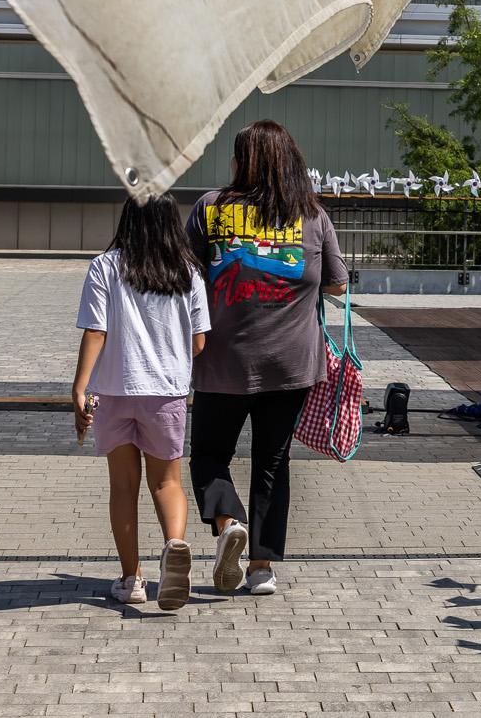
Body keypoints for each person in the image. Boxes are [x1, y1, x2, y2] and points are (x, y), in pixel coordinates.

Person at [188, 119, 347, 596]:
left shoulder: (210, 208)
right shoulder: (312, 215)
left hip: (221, 361)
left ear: (246, 161)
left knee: (210, 454)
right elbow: (337, 283)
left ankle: (227, 521)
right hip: (291, 363)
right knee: (272, 461)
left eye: (236, 155)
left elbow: (188, 275)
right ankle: (261, 568)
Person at [71, 195, 209, 611]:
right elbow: (199, 342)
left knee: (124, 487)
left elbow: (96, 332)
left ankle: (131, 580)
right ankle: (175, 548)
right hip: (166, 393)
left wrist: (79, 389)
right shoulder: (188, 273)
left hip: (114, 391)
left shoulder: (106, 266)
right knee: (167, 483)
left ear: (127, 220)